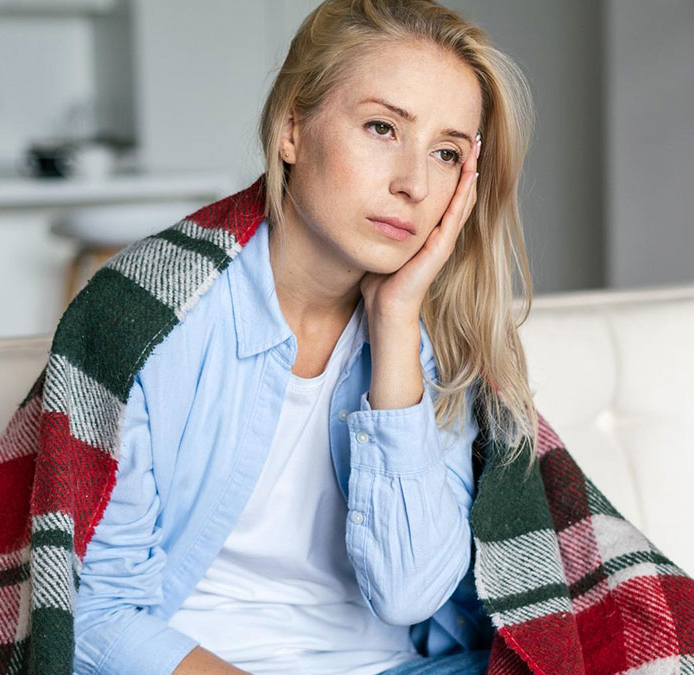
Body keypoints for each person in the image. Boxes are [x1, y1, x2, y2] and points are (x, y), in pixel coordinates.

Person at [72, 1, 539, 673]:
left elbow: (408, 593)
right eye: (382, 127)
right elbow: (95, 618)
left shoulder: (437, 339)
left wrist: (395, 323)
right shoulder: (151, 315)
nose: (413, 184)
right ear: (292, 128)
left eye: (446, 153)